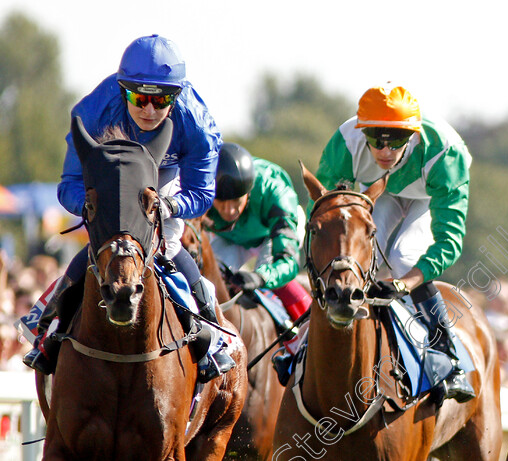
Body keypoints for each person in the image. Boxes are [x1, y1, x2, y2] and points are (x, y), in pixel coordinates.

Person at [23, 34, 233, 383]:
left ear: (176, 96)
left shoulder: (197, 125)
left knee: (166, 242)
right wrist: (91, 206)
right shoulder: (92, 113)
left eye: (162, 99)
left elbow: (200, 192)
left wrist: (168, 204)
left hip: (164, 172)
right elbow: (69, 185)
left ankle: (209, 329)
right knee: (103, 245)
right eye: (139, 97)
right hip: (112, 172)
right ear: (123, 91)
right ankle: (46, 325)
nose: (149, 109)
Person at [314, 84, 474, 402]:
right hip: (382, 190)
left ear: (412, 135)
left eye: (397, 140)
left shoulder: (445, 154)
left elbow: (449, 241)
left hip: (430, 194)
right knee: (364, 258)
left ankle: (450, 359)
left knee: (401, 258)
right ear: (363, 133)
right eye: (376, 141)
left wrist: (404, 284)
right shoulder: (344, 144)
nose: (386, 152)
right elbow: (322, 216)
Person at [205, 143, 312, 320]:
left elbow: (288, 263)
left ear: (248, 192)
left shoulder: (276, 193)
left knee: (267, 273)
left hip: (272, 234)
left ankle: (306, 328)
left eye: (236, 202)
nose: (229, 211)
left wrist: (260, 277)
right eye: (221, 202)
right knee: (211, 279)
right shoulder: (200, 190)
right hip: (231, 237)